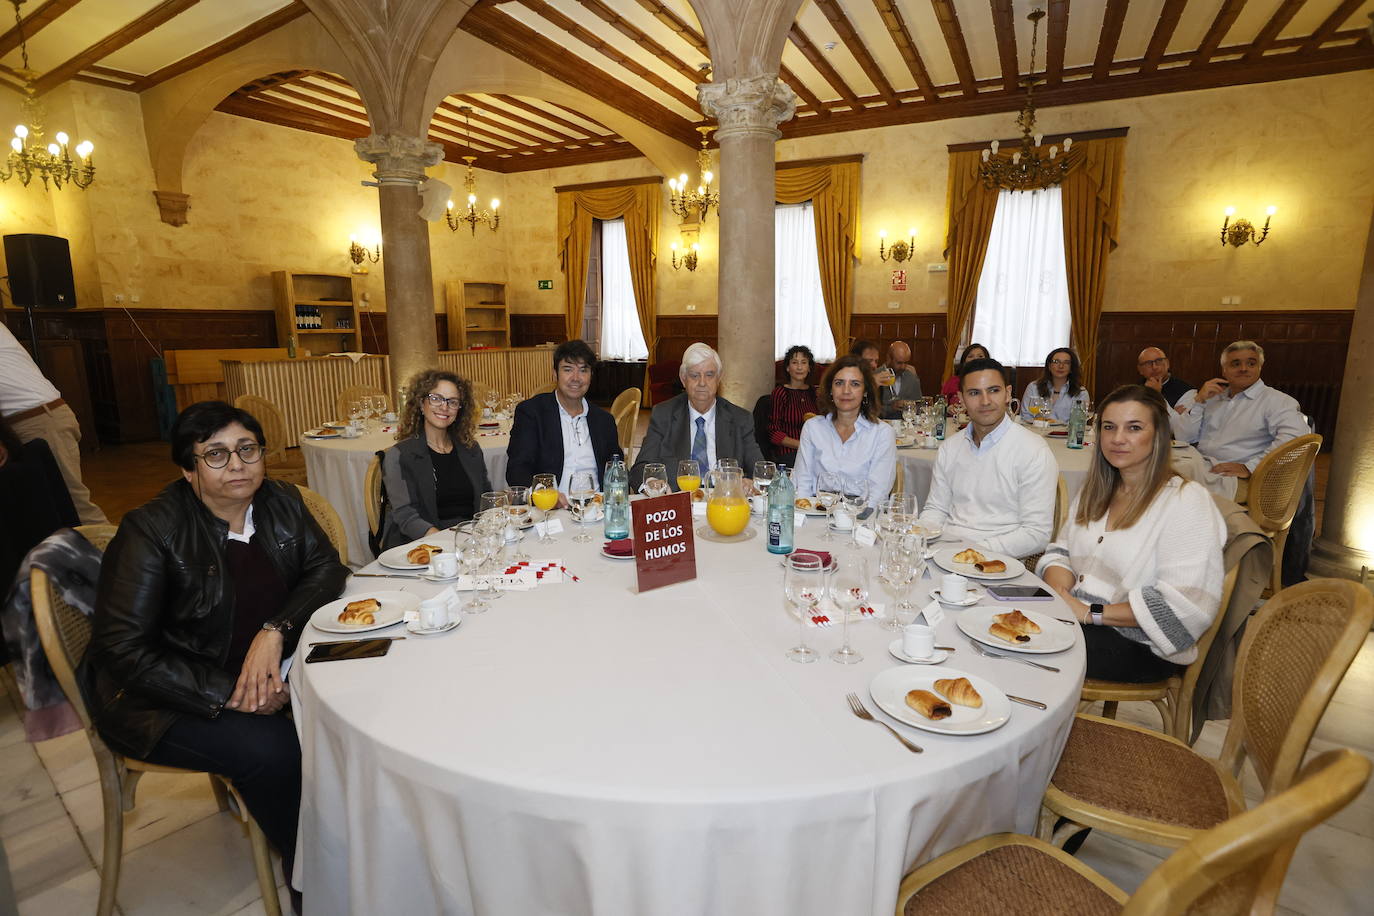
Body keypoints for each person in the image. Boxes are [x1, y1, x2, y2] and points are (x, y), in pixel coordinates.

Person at [83, 401, 349, 907]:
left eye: (247, 449)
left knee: (362, 699)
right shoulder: (152, 531)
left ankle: (360, 837)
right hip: (163, 696)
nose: (237, 465)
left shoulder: (282, 500)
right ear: (189, 470)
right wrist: (233, 693)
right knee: (275, 751)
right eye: (216, 454)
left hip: (267, 662)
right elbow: (122, 650)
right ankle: (315, 883)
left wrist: (274, 631)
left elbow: (326, 569)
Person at [1037, 385, 1226, 682]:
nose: (1118, 439)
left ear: (1159, 435)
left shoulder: (1185, 501)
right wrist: (1061, 597)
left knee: (1021, 647)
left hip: (1141, 644)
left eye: (1134, 428)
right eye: (1109, 427)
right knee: (997, 622)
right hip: (1081, 620)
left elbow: (1184, 605)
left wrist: (1090, 612)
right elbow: (1061, 553)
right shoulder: (1096, 490)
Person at [918, 357, 1057, 558]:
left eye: (993, 390)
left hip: (998, 560)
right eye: (974, 393)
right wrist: (919, 538)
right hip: (944, 552)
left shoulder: (1033, 451)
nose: (985, 401)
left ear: (1007, 393)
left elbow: (1037, 533)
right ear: (961, 399)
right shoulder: (950, 447)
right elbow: (936, 509)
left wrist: (971, 552)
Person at [1170, 340, 1308, 499]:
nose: (1243, 368)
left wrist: (1251, 468)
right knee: (1156, 463)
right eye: (1236, 364)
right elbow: (1184, 437)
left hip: (1235, 479)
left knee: (1163, 481)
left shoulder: (1277, 401)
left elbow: (1297, 440)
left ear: (1259, 367)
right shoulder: (1213, 398)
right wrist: (1199, 401)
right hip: (1203, 467)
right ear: (1224, 370)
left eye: (1251, 363)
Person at [0, 321, 106, 524]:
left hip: (38, 419)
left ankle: (116, 546)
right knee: (38, 513)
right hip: (26, 421)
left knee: (74, 509)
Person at [381, 369, 492, 549]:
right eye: (436, 398)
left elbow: (486, 500)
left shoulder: (470, 449)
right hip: (422, 545)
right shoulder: (400, 455)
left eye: (452, 402)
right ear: (421, 403)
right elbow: (406, 516)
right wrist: (447, 543)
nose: (444, 407)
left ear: (460, 409)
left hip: (471, 541)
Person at [631, 342, 765, 490]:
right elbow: (640, 469)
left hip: (724, 499)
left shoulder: (740, 419)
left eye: (709, 375)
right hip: (678, 500)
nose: (702, 383)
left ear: (718, 378)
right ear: (683, 379)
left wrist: (750, 483)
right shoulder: (664, 415)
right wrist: (651, 483)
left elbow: (761, 472)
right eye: (694, 376)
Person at [505, 339, 622, 501]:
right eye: (568, 369)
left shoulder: (604, 421)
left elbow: (617, 468)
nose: (576, 378)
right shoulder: (532, 413)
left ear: (591, 376)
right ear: (555, 374)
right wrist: (546, 496)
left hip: (597, 507)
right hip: (549, 508)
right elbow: (517, 469)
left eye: (583, 370)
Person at [792, 355, 896, 507]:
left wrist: (854, 517)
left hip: (860, 513)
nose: (846, 391)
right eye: (839, 383)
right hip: (817, 510)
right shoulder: (813, 428)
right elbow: (802, 483)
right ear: (830, 390)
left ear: (865, 391)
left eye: (855, 384)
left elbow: (877, 494)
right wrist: (804, 513)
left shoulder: (882, 433)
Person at [768, 344, 819, 466]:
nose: (799, 367)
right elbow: (773, 433)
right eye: (794, 363)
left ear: (809, 368)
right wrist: (802, 445)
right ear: (787, 367)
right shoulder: (780, 393)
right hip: (789, 453)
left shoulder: (814, 393)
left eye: (804, 362)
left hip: (814, 451)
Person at [1022, 347, 1090, 423]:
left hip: (1065, 431)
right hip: (1035, 429)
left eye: (1066, 363)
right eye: (1056, 362)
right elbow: (1025, 416)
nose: (1061, 366)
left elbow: (1079, 422)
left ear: (1071, 368)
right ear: (1049, 366)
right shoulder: (1033, 387)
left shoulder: (1081, 393)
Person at [878, 340, 922, 418]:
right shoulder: (876, 376)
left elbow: (919, 406)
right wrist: (891, 408)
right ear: (889, 358)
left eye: (906, 363)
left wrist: (909, 406)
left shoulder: (911, 376)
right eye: (899, 363)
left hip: (906, 423)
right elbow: (868, 411)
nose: (903, 367)